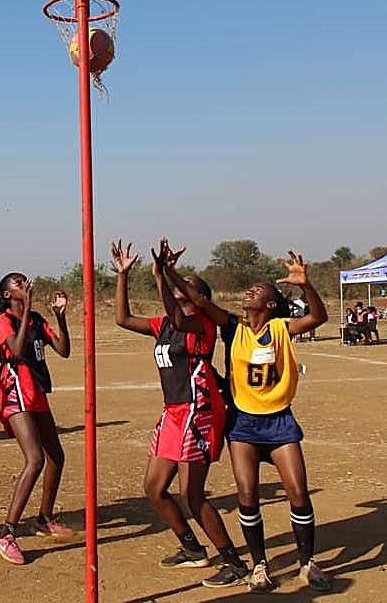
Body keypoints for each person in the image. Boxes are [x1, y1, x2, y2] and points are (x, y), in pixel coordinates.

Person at [164, 248, 331, 593]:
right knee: (247, 494)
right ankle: (259, 566)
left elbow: (318, 316)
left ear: (270, 304)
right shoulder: (232, 328)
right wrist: (169, 273)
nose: (250, 291)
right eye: (249, 288)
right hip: (242, 423)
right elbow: (199, 299)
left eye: (259, 290)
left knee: (298, 492)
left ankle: (307, 564)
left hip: (279, 422)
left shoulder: (282, 328)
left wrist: (305, 285)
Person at [110, 239, 248, 587]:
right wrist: (123, 275)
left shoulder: (202, 323)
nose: (181, 284)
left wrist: (162, 276)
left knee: (192, 495)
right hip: (173, 412)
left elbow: (177, 314)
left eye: (188, 283)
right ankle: (193, 549)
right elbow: (123, 318)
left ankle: (234, 563)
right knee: (154, 488)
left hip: (198, 409)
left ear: (199, 296)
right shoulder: (164, 324)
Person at [0, 273, 72, 565]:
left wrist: (60, 317)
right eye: (17, 283)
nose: (24, 284)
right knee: (35, 459)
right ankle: (6, 533)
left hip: (35, 389)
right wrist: (27, 310)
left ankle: (44, 519)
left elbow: (64, 350)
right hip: (16, 388)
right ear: (8, 295)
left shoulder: (36, 319)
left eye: (24, 280)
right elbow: (17, 351)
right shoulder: (6, 320)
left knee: (56, 456)